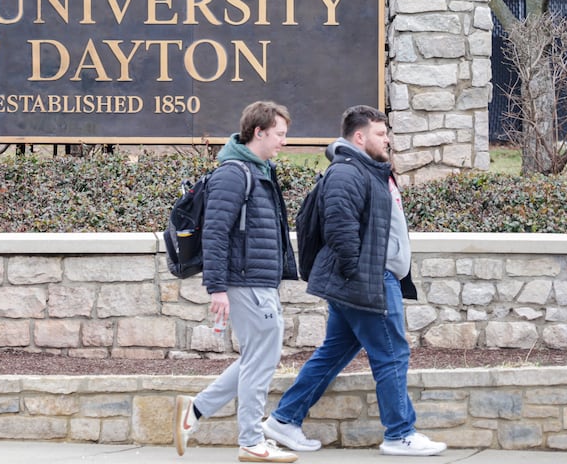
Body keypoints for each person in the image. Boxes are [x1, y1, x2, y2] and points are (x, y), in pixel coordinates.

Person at [261, 105, 447, 457]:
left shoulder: (371, 171)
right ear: (359, 137)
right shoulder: (348, 172)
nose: (387, 139)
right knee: (392, 354)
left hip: (367, 278)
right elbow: (340, 227)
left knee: (333, 353)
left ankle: (283, 420)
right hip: (368, 280)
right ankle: (400, 433)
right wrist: (360, 272)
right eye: (380, 133)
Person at [175, 101, 300, 463]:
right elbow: (215, 232)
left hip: (259, 280)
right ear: (258, 132)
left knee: (258, 357)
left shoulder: (259, 170)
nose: (283, 141)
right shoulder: (235, 173)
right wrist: (217, 288)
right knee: (262, 360)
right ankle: (250, 440)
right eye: (279, 134)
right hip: (245, 281)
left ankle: (194, 412)